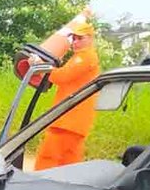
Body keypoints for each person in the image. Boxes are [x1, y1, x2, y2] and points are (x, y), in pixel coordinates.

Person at [33, 20, 100, 170]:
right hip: (73, 121)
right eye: (74, 38)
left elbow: (63, 76)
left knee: (48, 161)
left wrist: (40, 66)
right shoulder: (83, 57)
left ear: (90, 38)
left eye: (80, 38)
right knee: (68, 167)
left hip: (67, 120)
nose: (75, 42)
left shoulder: (85, 57)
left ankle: (37, 186)